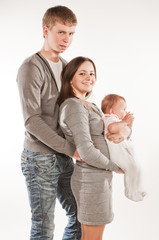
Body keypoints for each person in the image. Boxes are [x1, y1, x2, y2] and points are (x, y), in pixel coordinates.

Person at [16, 6, 81, 240]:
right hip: (40, 159)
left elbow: (72, 110)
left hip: (64, 157)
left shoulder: (66, 66)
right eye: (61, 32)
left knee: (81, 214)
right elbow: (31, 120)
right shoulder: (31, 68)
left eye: (71, 33)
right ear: (46, 30)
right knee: (43, 228)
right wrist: (70, 148)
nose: (67, 39)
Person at [57, 56, 131, 240]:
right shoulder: (74, 106)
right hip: (90, 180)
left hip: (99, 179)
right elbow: (86, 151)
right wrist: (117, 167)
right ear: (70, 77)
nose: (89, 77)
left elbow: (112, 130)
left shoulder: (92, 106)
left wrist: (124, 133)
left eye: (92, 73)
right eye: (82, 73)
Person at [101, 94, 146, 201]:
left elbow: (124, 131)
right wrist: (125, 121)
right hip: (116, 151)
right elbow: (112, 128)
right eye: (123, 109)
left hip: (122, 148)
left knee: (136, 168)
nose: (126, 112)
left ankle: (136, 190)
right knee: (131, 168)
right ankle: (131, 193)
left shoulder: (116, 119)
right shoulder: (109, 118)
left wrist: (128, 124)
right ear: (111, 111)